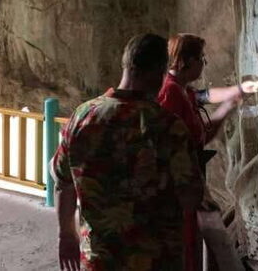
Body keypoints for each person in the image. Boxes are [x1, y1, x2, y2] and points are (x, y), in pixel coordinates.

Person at [51, 33, 204, 271]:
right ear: (158, 70)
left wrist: (66, 235)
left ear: (126, 64)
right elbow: (191, 197)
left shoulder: (82, 117)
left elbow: (62, 181)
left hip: (100, 261)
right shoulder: (167, 126)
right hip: (156, 261)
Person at [157, 34, 258, 271]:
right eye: (201, 58)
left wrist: (238, 92)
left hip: (189, 183)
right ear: (187, 62)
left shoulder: (182, 89)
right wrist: (228, 107)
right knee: (183, 247)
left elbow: (206, 96)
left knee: (192, 243)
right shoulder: (171, 94)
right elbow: (195, 136)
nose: (204, 63)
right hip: (177, 187)